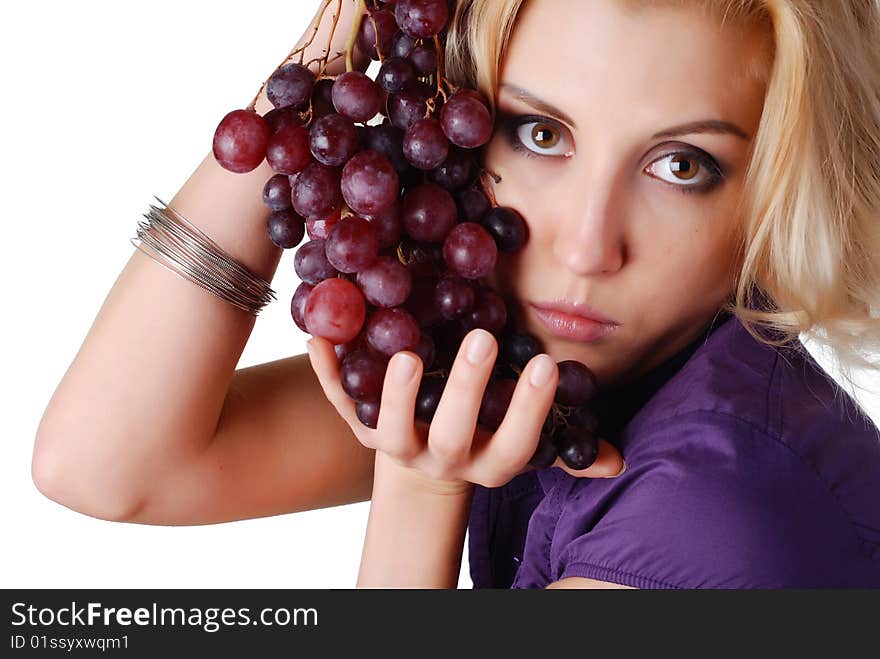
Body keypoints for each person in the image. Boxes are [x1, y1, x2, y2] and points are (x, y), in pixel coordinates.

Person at [33, 0, 880, 589]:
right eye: (540, 133)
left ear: (778, 187)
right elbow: (103, 465)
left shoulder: (724, 512)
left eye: (682, 166)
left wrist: (421, 487)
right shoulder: (545, 376)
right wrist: (310, 89)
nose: (587, 247)